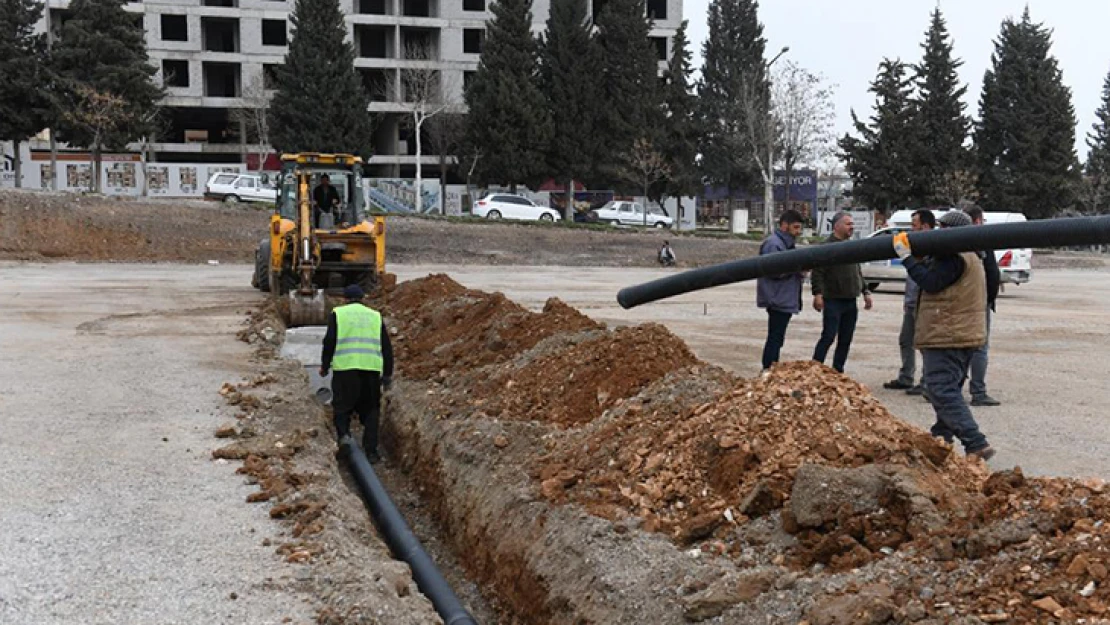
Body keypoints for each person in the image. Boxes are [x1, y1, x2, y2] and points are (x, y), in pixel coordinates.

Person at [893, 209, 995, 460]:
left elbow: (930, 282)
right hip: (963, 333)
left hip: (948, 334)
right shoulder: (972, 254)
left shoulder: (955, 257)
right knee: (947, 388)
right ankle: (940, 440)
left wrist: (906, 258)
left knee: (939, 389)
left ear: (951, 231)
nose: (937, 233)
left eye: (941, 228)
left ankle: (976, 442)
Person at [320, 284, 393, 464]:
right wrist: (387, 374)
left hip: (346, 370)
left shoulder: (339, 314)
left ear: (345, 299)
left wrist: (325, 365)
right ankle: (371, 452)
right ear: (363, 299)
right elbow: (386, 348)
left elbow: (329, 341)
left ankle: (344, 437)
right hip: (370, 371)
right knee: (371, 411)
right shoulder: (375, 316)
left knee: (342, 407)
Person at [811, 212, 873, 373]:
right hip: (833, 300)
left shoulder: (852, 246)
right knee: (828, 336)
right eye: (848, 224)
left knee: (845, 339)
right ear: (837, 226)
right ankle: (815, 369)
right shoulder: (827, 247)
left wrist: (866, 291)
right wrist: (818, 294)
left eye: (852, 224)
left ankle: (838, 370)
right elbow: (818, 272)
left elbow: (857, 270)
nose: (851, 227)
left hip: (850, 300)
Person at [884, 209, 935, 393]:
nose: (911, 230)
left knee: (924, 344)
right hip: (912, 302)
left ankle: (926, 382)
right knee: (906, 340)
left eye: (914, 225)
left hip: (924, 304)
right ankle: (906, 376)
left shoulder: (934, 249)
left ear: (925, 227)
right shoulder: (915, 247)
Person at [757, 210, 806, 371]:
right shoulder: (774, 244)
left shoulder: (784, 244)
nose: (798, 232)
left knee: (777, 338)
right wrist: (797, 268)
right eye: (796, 227)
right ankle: (768, 369)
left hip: (782, 298)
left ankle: (770, 368)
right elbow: (773, 270)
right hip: (777, 298)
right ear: (785, 225)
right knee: (775, 338)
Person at [965, 206, 1002, 406]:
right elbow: (991, 274)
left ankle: (942, 387)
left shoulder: (957, 242)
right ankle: (978, 392)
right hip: (978, 302)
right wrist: (988, 299)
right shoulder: (980, 241)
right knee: (979, 347)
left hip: (968, 302)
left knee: (959, 345)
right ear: (978, 220)